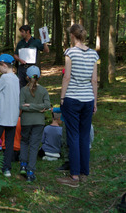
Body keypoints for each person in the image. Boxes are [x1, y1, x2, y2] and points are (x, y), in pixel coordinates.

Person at [57, 24, 99, 188]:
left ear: (72, 36)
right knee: (84, 136)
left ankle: (74, 176)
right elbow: (94, 80)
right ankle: (84, 173)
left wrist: (62, 97)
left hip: (72, 99)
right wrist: (95, 101)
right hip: (88, 99)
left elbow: (66, 77)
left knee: (73, 136)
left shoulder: (70, 52)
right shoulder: (93, 54)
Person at [0, 54, 20, 177]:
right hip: (13, 117)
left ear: (5, 65)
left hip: (2, 116)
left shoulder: (5, 78)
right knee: (9, 142)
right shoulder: (16, 78)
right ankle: (7, 168)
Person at [19, 65, 51, 182]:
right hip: (39, 122)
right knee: (33, 145)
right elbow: (46, 105)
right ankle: (30, 171)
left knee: (24, 141)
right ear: (39, 77)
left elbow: (21, 105)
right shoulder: (43, 90)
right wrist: (38, 108)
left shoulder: (23, 90)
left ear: (27, 77)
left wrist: (30, 106)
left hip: (26, 121)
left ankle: (23, 164)